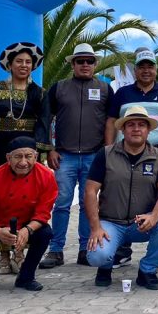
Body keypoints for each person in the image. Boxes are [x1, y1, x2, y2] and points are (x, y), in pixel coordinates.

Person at [0, 42, 48, 275]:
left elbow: (45, 121)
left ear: (33, 65)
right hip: (1, 147)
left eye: (28, 62)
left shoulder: (39, 93)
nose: (24, 65)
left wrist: (41, 151)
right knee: (1, 197)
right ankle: (3, 253)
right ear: (10, 64)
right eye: (19, 61)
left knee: (27, 199)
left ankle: (19, 251)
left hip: (29, 149)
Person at [84, 105, 158, 290]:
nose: (136, 129)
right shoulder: (106, 154)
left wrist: (154, 216)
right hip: (111, 222)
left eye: (141, 125)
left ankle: (147, 271)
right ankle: (105, 267)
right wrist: (95, 227)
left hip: (141, 223)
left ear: (148, 130)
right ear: (123, 129)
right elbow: (90, 191)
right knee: (96, 256)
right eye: (131, 125)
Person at [39, 44, 113, 271]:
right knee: (61, 203)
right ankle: (55, 250)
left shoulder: (105, 89)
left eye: (89, 61)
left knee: (87, 203)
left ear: (95, 64)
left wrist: (107, 151)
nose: (85, 65)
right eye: (80, 61)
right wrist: (49, 149)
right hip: (64, 156)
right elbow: (45, 118)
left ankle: (85, 249)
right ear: (72, 64)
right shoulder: (58, 88)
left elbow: (111, 122)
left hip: (94, 156)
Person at [104, 47, 158, 271]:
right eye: (142, 67)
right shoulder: (122, 93)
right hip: (125, 152)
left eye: (150, 66)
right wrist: (108, 148)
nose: (146, 70)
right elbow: (111, 121)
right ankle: (122, 251)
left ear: (156, 69)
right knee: (122, 198)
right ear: (135, 70)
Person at [0, 137, 58, 296]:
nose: (23, 162)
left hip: (27, 222)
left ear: (36, 157)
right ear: (8, 158)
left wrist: (27, 230)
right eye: (18, 157)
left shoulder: (46, 176)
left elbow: (43, 213)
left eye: (28, 156)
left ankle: (26, 277)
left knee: (45, 234)